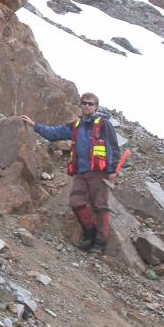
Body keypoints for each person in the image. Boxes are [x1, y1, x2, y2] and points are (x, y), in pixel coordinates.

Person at [20, 92, 120, 254]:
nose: (87, 106)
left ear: (96, 106)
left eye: (90, 103)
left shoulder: (103, 124)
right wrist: (34, 125)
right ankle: (89, 234)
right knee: (76, 202)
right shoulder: (76, 126)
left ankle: (100, 243)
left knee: (101, 206)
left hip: (98, 171)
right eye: (84, 103)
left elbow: (114, 148)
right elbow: (55, 133)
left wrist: (113, 170)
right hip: (81, 172)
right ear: (80, 105)